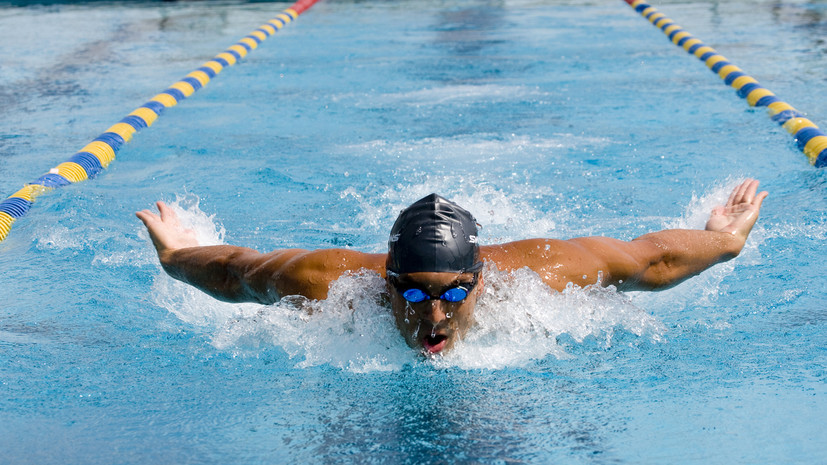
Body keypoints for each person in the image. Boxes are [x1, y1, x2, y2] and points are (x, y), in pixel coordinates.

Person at [136, 178, 768, 355]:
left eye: (452, 296)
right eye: (410, 296)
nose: (432, 321)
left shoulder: (541, 275)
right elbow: (236, 271)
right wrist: (176, 254)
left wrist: (722, 240)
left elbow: (651, 259)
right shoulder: (331, 281)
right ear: (383, 278)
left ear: (481, 280)